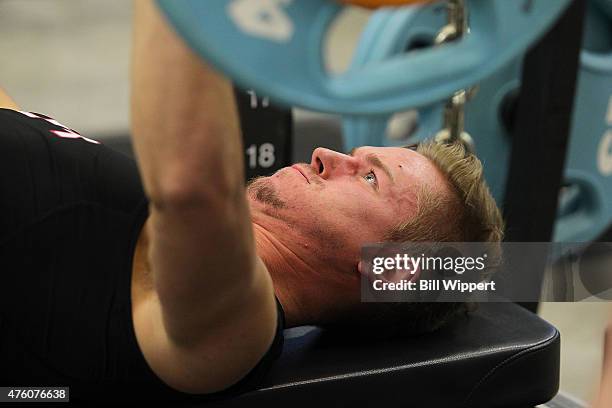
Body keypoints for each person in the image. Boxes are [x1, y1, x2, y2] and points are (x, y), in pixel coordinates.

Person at [0, 0, 503, 403]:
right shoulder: (138, 221)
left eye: (370, 178)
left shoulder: (237, 329)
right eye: (354, 156)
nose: (327, 155)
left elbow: (191, 188)